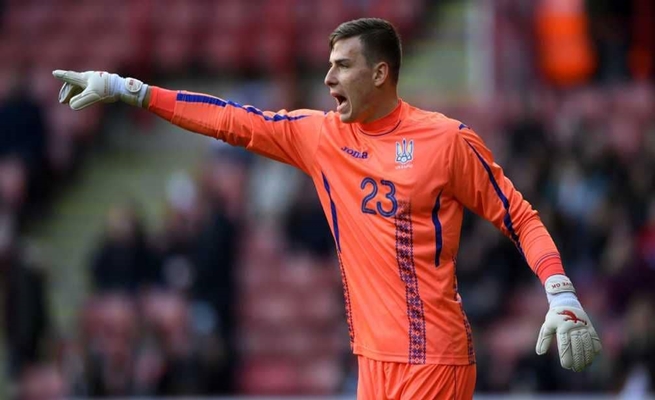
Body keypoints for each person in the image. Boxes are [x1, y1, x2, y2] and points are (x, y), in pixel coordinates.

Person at [52, 18, 601, 399]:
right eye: (328, 66)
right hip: (372, 362)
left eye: (342, 66)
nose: (328, 79)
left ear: (380, 73)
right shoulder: (320, 137)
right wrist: (131, 90)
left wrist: (560, 291)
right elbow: (231, 120)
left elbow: (519, 215)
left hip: (433, 359)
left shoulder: (446, 141)